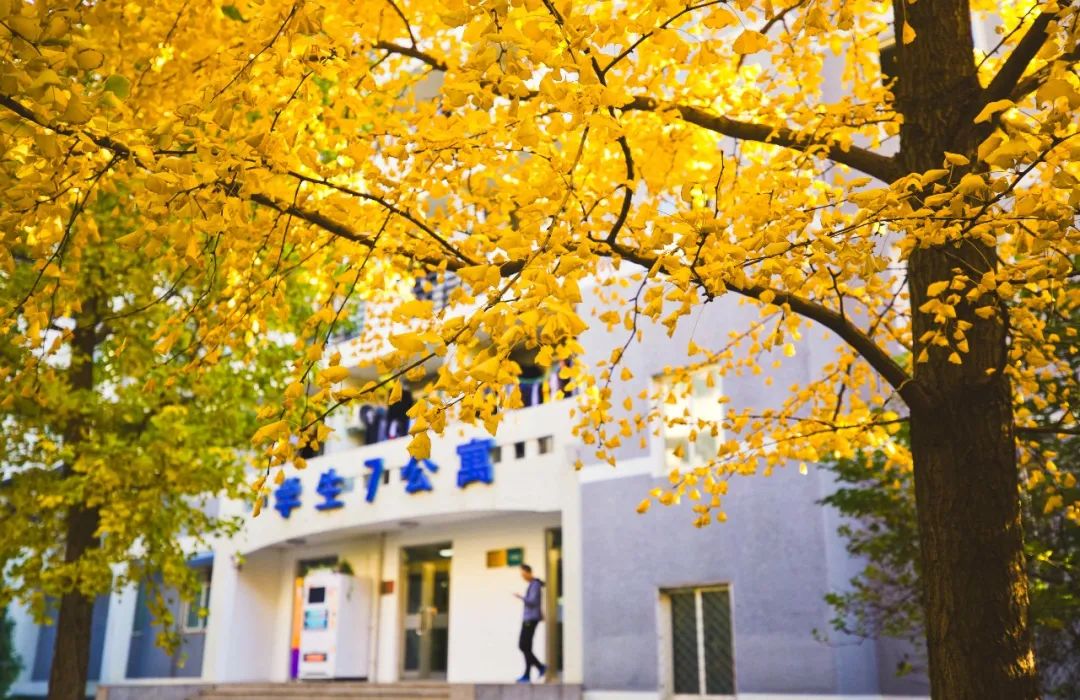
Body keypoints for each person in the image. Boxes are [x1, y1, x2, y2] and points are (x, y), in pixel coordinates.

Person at [514, 564, 546, 683]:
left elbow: (533, 601)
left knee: (523, 645)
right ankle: (527, 674)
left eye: (523, 574)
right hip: (530, 619)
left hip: (530, 619)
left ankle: (540, 667)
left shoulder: (535, 585)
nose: (522, 577)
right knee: (527, 647)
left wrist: (521, 597)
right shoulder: (533, 585)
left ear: (528, 572)